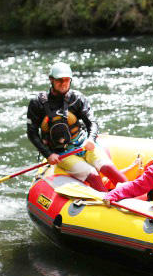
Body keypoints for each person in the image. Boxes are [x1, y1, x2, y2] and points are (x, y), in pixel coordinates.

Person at [26, 62, 126, 192]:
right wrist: (48, 154)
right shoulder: (37, 103)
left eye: (67, 80)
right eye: (59, 80)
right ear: (51, 79)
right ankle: (109, 201)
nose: (63, 83)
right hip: (61, 153)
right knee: (93, 175)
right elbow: (32, 132)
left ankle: (138, 196)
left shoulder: (77, 98)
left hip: (83, 143)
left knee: (108, 168)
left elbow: (92, 123)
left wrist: (90, 139)